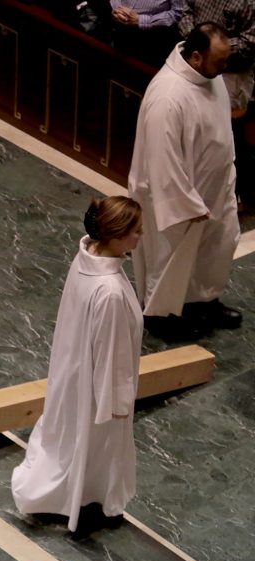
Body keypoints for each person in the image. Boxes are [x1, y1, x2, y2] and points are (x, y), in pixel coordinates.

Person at [11, 197, 144, 535]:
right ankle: (83, 501)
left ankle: (71, 494)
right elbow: (111, 353)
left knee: (67, 435)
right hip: (96, 385)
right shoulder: (110, 291)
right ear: (115, 235)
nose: (140, 237)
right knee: (94, 443)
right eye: (135, 231)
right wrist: (118, 401)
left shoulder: (87, 256)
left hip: (73, 367)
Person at [128, 22, 241, 339]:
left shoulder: (211, 78)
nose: (224, 68)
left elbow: (222, 134)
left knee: (215, 249)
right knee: (170, 257)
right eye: (219, 61)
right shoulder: (168, 95)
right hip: (173, 198)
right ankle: (162, 316)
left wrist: (227, 183)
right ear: (195, 57)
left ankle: (203, 302)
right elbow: (161, 161)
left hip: (214, 189)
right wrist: (187, 203)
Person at [179, 2, 255, 208]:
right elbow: (185, 10)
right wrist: (196, 41)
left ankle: (241, 194)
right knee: (198, 126)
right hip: (196, 63)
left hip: (231, 71)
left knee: (229, 134)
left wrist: (213, 49)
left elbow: (250, 41)